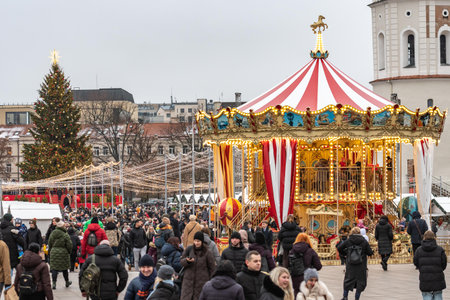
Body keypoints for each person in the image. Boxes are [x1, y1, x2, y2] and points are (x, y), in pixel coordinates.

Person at [337, 227, 373, 300]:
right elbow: (369, 252)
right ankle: (357, 298)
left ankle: (345, 296)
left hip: (350, 264)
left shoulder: (348, 240)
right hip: (361, 264)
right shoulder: (364, 241)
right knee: (360, 281)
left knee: (348, 280)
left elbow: (339, 248)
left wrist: (346, 253)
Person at [180, 231, 216, 300]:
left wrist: (211, 282)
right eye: (195, 241)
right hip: (188, 283)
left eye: (198, 241)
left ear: (202, 241)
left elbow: (212, 268)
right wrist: (187, 261)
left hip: (202, 283)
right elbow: (182, 262)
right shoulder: (189, 249)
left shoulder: (207, 252)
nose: (196, 243)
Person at [413, 230, 447, 300]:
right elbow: (444, 263)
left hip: (425, 277)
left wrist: (421, 268)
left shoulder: (419, 250)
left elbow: (415, 262)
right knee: (438, 295)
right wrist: (439, 269)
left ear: (424, 237)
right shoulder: (440, 249)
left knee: (426, 295)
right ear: (434, 237)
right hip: (438, 277)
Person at [289, 233, 322, 297]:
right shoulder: (310, 251)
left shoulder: (292, 250)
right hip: (308, 276)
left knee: (297, 292)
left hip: (295, 276)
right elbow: (318, 266)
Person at [48, 220, 72, 290]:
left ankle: (54, 283)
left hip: (54, 251)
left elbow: (50, 242)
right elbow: (69, 244)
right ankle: (67, 282)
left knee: (54, 269)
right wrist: (69, 251)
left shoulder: (53, 233)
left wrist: (51, 250)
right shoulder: (65, 234)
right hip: (63, 252)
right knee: (64, 268)